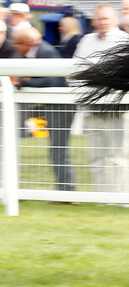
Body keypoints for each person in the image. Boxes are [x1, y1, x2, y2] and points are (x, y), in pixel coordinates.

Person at [73, 4, 129, 197]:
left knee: (118, 157)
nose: (102, 23)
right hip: (91, 106)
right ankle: (101, 198)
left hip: (116, 108)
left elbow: (124, 74)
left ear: (114, 20)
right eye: (99, 19)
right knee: (97, 156)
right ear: (93, 21)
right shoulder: (86, 40)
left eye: (106, 19)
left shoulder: (124, 39)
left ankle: (123, 199)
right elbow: (75, 68)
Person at [12, 26, 76, 192]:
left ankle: (66, 191)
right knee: (56, 149)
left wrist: (25, 82)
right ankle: (65, 190)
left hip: (62, 107)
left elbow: (54, 81)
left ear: (26, 43)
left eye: (16, 43)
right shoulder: (30, 53)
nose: (14, 46)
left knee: (58, 149)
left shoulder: (45, 51)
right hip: (54, 106)